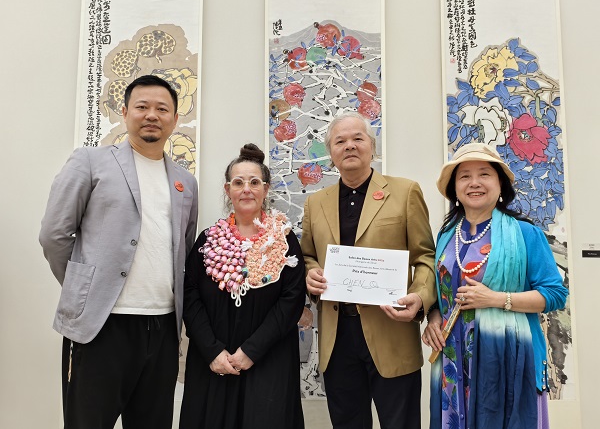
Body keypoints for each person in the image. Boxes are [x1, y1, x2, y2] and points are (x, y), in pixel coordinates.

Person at [39, 75, 199, 429]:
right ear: (125, 112)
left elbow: (184, 251)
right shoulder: (90, 162)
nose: (152, 115)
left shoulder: (186, 182)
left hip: (162, 327)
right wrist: (85, 289)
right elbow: (54, 235)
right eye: (142, 106)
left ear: (175, 118)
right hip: (101, 326)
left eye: (162, 109)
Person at [301, 112, 436, 428]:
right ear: (331, 153)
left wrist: (420, 297)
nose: (349, 145)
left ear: (372, 147)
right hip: (337, 337)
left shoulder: (405, 192)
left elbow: (425, 257)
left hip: (392, 331)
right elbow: (307, 256)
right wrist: (310, 274)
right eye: (340, 141)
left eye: (357, 138)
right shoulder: (315, 203)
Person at [423, 142, 569, 428]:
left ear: (500, 184)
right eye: (464, 176)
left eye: (484, 174)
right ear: (454, 188)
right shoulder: (446, 235)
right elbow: (441, 294)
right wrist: (434, 317)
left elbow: (555, 294)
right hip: (453, 358)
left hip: (506, 357)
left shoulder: (526, 233)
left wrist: (496, 299)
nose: (474, 183)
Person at [180, 143, 306, 429]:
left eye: (254, 182)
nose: (246, 189)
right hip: (214, 362)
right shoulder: (209, 240)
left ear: (266, 189)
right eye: (238, 182)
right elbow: (190, 296)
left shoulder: (284, 241)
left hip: (269, 359)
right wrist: (212, 351)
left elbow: (292, 300)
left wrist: (251, 351)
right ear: (228, 190)